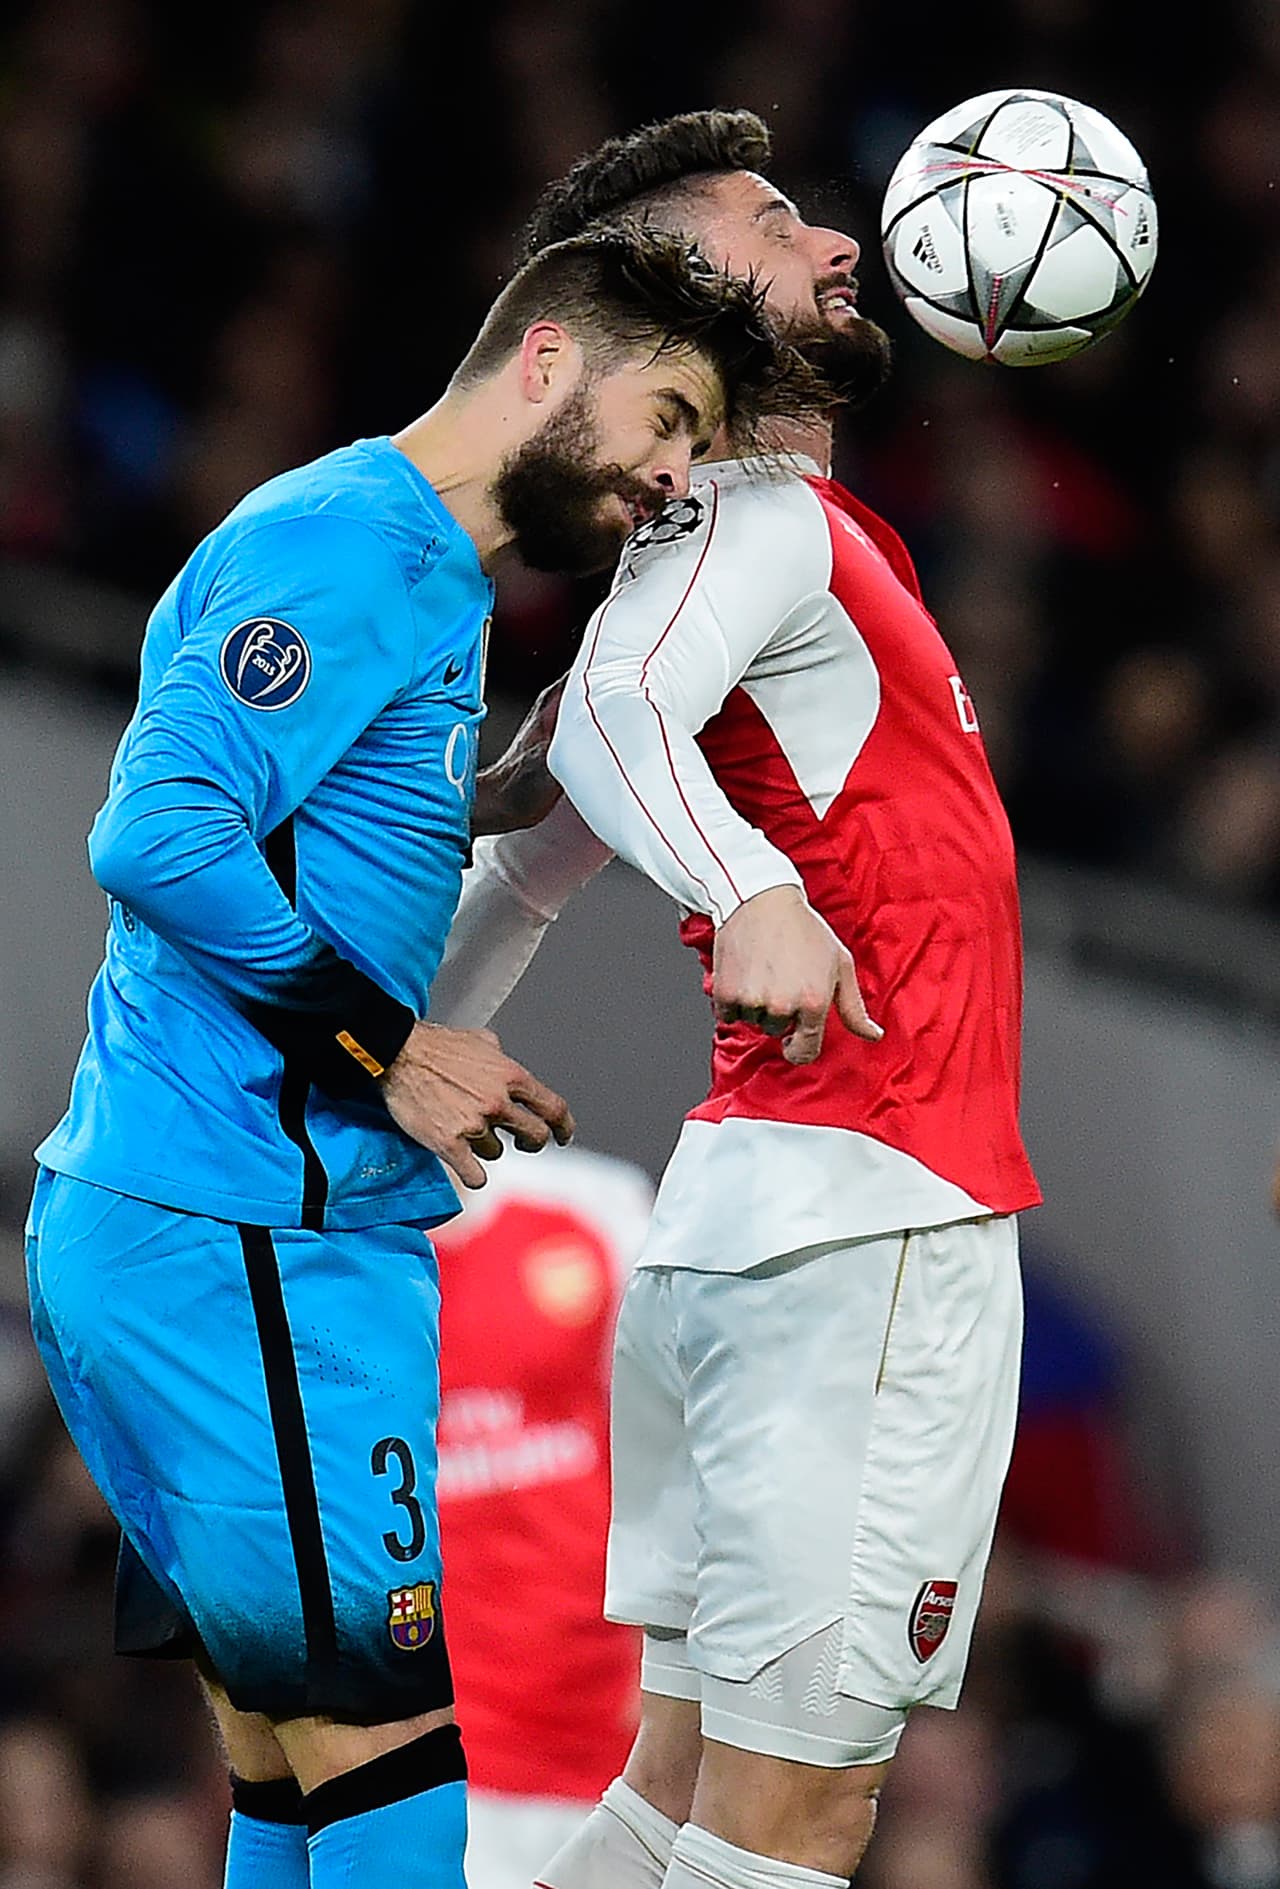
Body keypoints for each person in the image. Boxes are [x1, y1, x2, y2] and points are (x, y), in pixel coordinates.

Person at [23, 222, 817, 1889]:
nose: (675, 479)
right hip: (241, 1224)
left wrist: (466, 801)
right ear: (546, 362)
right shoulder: (351, 543)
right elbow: (158, 829)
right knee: (397, 1781)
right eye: (665, 417)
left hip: (223, 1218)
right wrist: (392, 1045)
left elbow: (284, 819)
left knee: (293, 1776)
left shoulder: (424, 577)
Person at [432, 111, 1043, 1889]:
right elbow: (615, 715)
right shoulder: (755, 523)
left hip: (755, 1235)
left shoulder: (773, 541)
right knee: (792, 1818)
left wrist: (396, 1060)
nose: (843, 242)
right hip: (867, 1224)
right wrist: (750, 888)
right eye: (779, 225)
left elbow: (528, 856)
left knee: (676, 1792)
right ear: (681, 294)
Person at [431, 1142, 653, 1888]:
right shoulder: (314, 1254)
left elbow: (687, 1444)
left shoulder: (595, 1207)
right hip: (429, 1740)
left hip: (613, 1716)